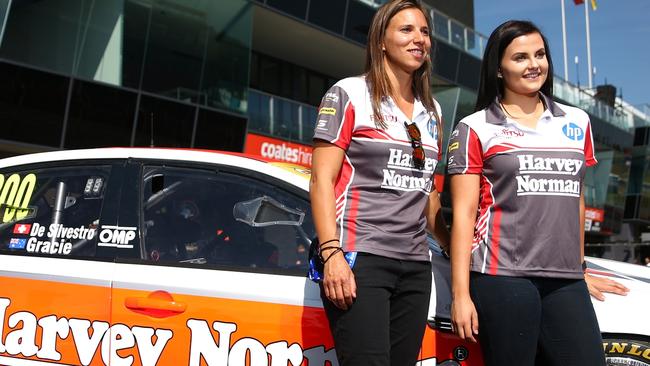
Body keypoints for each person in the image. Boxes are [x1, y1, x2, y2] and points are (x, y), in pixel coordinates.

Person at [446, 20, 628, 365]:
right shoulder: (475, 127)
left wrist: (580, 266)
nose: (534, 64)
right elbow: (465, 214)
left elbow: (575, 198)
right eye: (520, 57)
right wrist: (460, 294)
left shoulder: (577, 121)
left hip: (565, 280)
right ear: (499, 69)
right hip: (501, 276)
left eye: (540, 54)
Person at [309, 1, 450, 364]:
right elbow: (322, 180)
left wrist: (452, 246)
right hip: (360, 255)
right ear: (381, 41)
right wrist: (331, 254)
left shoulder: (431, 110)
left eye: (424, 31)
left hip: (416, 266)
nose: (419, 39)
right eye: (406, 30)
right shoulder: (349, 93)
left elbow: (428, 193)